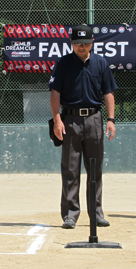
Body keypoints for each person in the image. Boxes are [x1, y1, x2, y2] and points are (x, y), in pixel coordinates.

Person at [49, 24, 118, 229]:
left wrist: (111, 119)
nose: (82, 46)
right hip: (70, 120)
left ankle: (96, 213)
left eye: (85, 43)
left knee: (95, 168)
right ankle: (70, 215)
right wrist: (57, 119)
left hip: (94, 119)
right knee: (70, 169)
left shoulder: (100, 63)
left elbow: (108, 93)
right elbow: (55, 93)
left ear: (92, 43)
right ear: (72, 43)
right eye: (78, 43)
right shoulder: (63, 63)